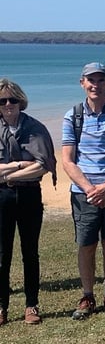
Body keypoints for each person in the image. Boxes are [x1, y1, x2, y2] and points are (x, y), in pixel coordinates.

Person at [61, 62, 105, 320]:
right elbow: (68, 160)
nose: (95, 85)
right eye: (90, 80)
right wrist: (92, 190)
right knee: (87, 244)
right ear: (82, 83)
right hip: (84, 193)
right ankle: (87, 295)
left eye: (100, 80)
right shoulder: (73, 116)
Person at [0, 79, 56, 326]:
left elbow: (43, 165)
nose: (8, 104)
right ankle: (1, 306)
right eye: (2, 100)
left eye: (13, 99)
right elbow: (32, 164)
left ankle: (31, 305)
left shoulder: (36, 127)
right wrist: (20, 164)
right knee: (2, 254)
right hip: (2, 197)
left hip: (30, 195)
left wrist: (8, 174)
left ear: (21, 101)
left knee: (30, 252)